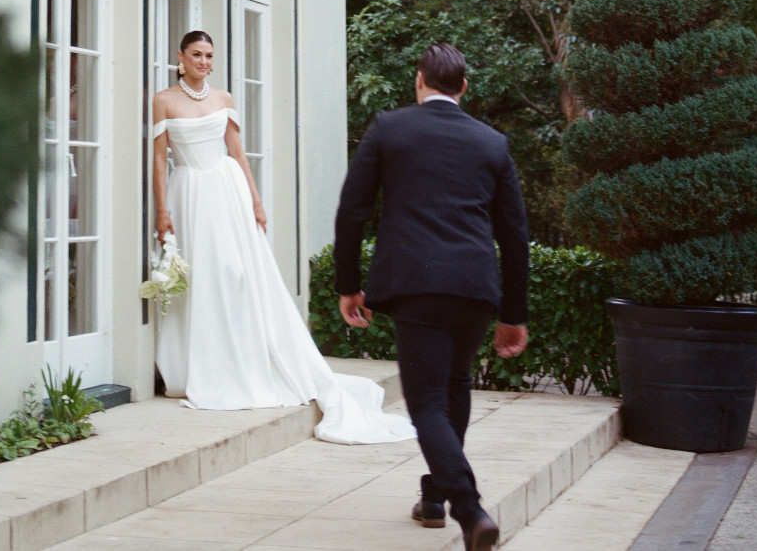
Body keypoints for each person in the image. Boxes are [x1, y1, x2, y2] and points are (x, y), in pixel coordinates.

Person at [152, 30, 415, 444]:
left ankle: (243, 361)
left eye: (209, 56)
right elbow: (158, 158)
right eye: (197, 55)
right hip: (188, 194)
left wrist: (256, 201)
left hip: (227, 192)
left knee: (236, 275)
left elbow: (237, 153)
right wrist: (162, 210)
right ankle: (194, 368)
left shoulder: (224, 99)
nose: (204, 62)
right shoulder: (164, 100)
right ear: (180, 57)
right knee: (200, 277)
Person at [333, 42, 530, 551]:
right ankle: (435, 497)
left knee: (425, 401)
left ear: (419, 81)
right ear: (463, 87)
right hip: (474, 286)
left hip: (416, 282)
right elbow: (514, 236)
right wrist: (514, 314)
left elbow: (352, 211)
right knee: (454, 384)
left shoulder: (389, 128)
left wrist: (347, 285)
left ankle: (468, 507)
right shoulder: (493, 144)